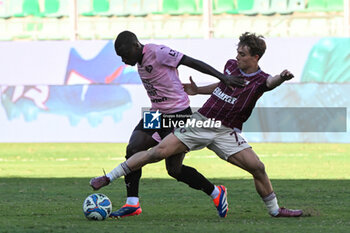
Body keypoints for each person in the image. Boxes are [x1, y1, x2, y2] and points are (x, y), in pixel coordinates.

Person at [91, 32, 303, 218]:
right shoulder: (231, 66)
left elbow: (268, 82)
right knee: (136, 147)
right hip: (158, 112)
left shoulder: (159, 52)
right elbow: (222, 86)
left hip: (184, 115)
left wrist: (281, 79)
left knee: (176, 168)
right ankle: (131, 202)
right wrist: (200, 89)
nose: (124, 60)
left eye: (242, 54)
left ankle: (231, 197)